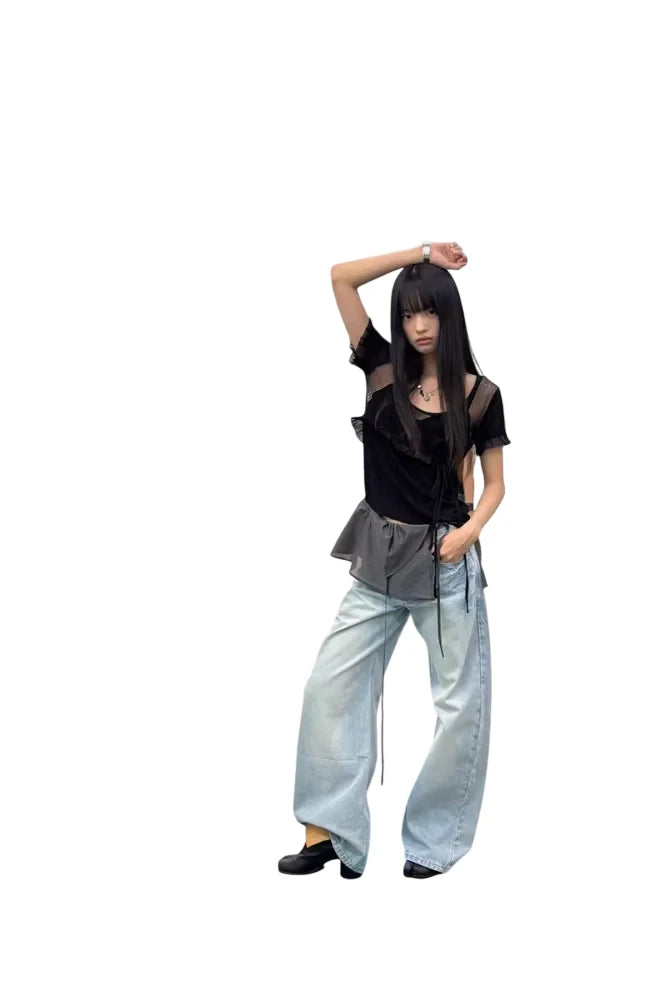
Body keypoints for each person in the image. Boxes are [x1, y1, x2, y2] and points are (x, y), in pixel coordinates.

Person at [278, 242, 510, 879]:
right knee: (330, 688)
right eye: (408, 313)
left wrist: (469, 533)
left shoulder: (480, 395)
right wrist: (422, 250)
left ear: (449, 315)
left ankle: (433, 843)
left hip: (444, 563)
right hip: (379, 560)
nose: (420, 325)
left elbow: (495, 485)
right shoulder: (381, 368)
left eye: (430, 311)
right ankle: (328, 833)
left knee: (460, 706)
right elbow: (340, 278)